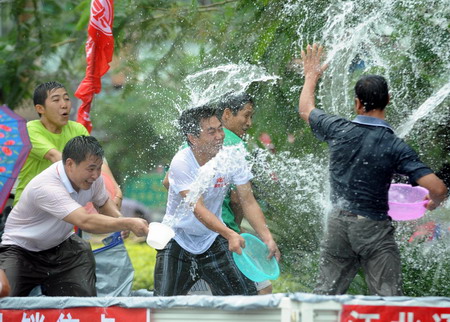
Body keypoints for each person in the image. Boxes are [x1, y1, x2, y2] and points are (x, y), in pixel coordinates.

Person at [298, 43, 448, 296]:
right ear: (388, 100)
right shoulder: (395, 146)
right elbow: (438, 188)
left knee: (325, 296)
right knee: (388, 299)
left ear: (357, 104)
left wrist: (311, 75)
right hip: (373, 228)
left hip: (337, 224)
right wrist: (433, 203)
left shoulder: (338, 129)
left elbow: (305, 109)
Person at [154, 105, 280, 296]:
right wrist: (230, 234)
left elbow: (248, 200)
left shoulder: (232, 157)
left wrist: (267, 237)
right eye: (211, 132)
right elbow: (198, 209)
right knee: (160, 307)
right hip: (177, 238)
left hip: (212, 237)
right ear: (193, 138)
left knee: (245, 300)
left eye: (220, 128)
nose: (220, 136)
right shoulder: (181, 162)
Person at [0, 136, 149, 297]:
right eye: (91, 168)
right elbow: (85, 221)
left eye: (99, 168)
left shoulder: (94, 179)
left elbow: (103, 202)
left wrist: (119, 220)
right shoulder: (47, 187)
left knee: (81, 301)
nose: (96, 175)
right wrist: (127, 223)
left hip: (62, 246)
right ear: (70, 164)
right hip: (21, 250)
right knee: (6, 301)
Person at [13, 81, 123, 207]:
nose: (64, 105)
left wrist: (115, 190)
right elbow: (56, 158)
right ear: (40, 108)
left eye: (66, 99)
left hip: (64, 207)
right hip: (31, 207)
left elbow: (98, 161)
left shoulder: (78, 129)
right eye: (56, 100)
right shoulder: (29, 130)